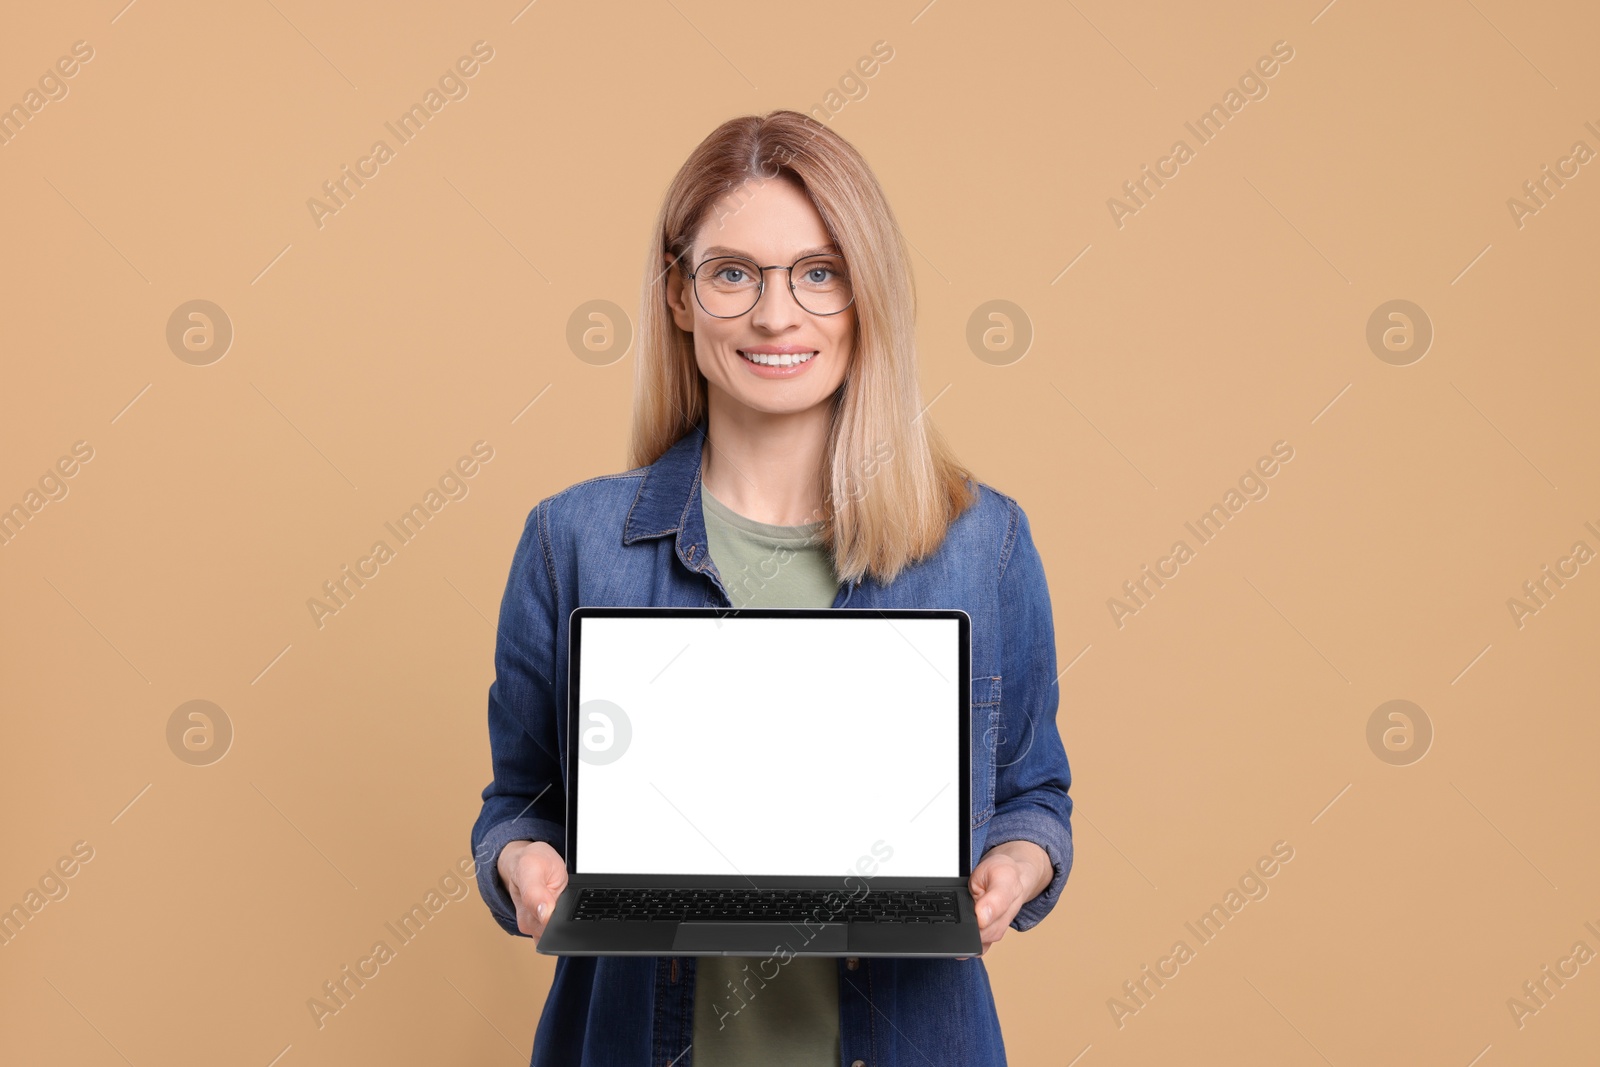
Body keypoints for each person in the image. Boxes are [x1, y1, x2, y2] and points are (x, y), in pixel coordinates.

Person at [470, 109, 1074, 1067]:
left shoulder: (982, 543)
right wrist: (522, 862)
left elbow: (1033, 791)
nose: (776, 315)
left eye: (818, 273)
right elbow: (521, 803)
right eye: (734, 273)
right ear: (679, 295)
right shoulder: (571, 539)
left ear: (864, 294)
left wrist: (1016, 864)